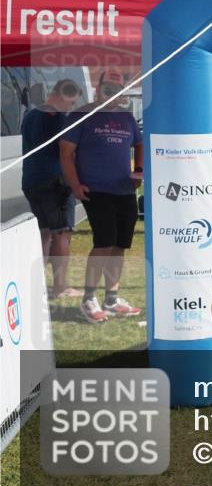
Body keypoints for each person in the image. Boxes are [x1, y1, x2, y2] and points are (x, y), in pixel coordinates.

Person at [59, 70, 143, 324]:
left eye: (117, 90)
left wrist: (139, 170)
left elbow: (139, 144)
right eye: (108, 88)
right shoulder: (81, 115)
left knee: (120, 245)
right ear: (98, 89)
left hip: (124, 190)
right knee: (104, 243)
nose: (112, 94)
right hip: (95, 190)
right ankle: (89, 299)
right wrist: (75, 184)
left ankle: (112, 298)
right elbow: (65, 152)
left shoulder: (127, 117)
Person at [21, 79, 83, 299]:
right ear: (63, 95)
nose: (71, 107)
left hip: (31, 181)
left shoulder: (30, 115)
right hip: (54, 183)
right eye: (72, 102)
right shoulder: (57, 118)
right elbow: (66, 150)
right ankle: (60, 287)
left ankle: (36, 286)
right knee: (62, 233)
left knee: (44, 234)